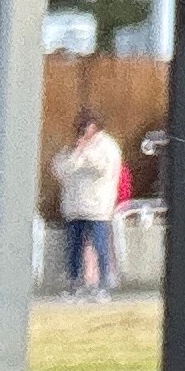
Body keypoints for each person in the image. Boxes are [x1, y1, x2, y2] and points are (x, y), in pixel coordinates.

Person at [51, 109, 125, 298]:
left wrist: (86, 154)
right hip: (75, 207)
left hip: (97, 208)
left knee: (100, 246)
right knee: (73, 248)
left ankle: (103, 286)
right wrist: (76, 152)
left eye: (88, 127)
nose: (84, 131)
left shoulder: (107, 146)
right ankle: (74, 284)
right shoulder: (72, 147)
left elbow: (104, 169)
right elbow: (60, 169)